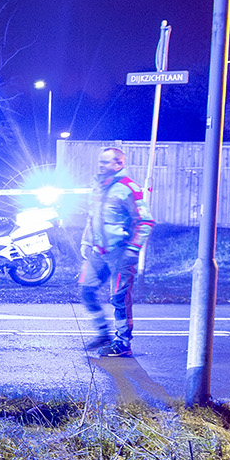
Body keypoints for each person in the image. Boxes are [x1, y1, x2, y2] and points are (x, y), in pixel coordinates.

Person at [80, 144, 153, 358]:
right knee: (86, 290)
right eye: (100, 161)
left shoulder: (129, 188)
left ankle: (123, 343)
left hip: (120, 253)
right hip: (99, 252)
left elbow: (145, 221)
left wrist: (133, 249)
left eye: (105, 162)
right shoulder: (98, 186)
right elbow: (92, 217)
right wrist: (86, 241)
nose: (100, 165)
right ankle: (103, 334)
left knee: (119, 297)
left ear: (119, 164)